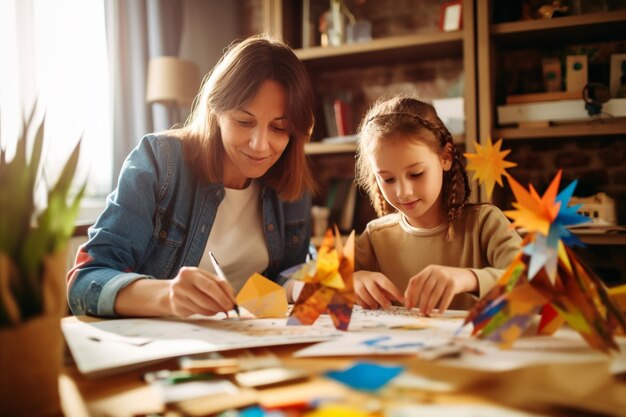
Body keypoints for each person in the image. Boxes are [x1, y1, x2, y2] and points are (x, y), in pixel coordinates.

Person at [67, 34, 317, 318]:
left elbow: (279, 281)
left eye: (279, 128)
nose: (260, 145)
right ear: (216, 110)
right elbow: (85, 281)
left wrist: (299, 287)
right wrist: (168, 296)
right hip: (162, 347)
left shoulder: (289, 183)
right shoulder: (160, 161)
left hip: (249, 342)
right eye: (244, 122)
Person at [354, 96, 521, 315]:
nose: (403, 192)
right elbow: (316, 288)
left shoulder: (484, 223)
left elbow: (535, 281)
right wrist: (353, 280)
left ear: (446, 156)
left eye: (415, 174)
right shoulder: (376, 236)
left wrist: (470, 278)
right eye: (387, 179)